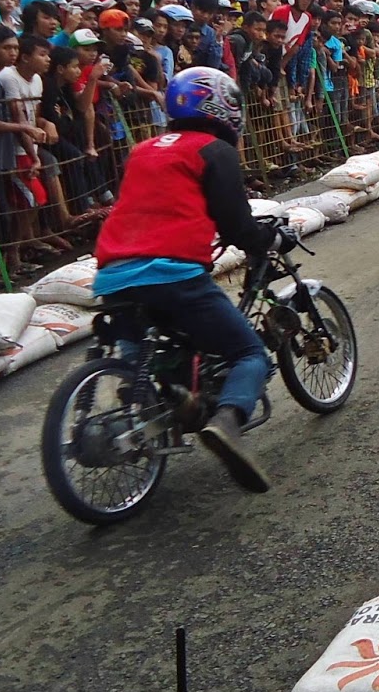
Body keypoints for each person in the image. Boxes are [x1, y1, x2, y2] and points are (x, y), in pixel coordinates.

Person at [91, 67, 289, 493]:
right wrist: (268, 238)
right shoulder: (214, 150)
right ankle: (227, 422)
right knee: (249, 353)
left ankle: (174, 399)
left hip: (112, 277)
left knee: (148, 353)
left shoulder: (143, 150)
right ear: (222, 106)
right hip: (173, 274)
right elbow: (236, 225)